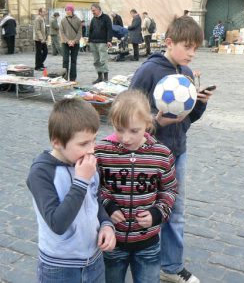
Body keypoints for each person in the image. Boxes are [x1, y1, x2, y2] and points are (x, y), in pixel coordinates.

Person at [131, 16, 214, 283]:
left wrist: (199, 103)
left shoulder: (187, 74)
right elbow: (127, 115)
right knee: (145, 209)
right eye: (187, 47)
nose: (192, 53)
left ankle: (172, 267)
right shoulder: (148, 71)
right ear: (169, 42)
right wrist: (156, 122)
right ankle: (138, 260)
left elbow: (187, 120)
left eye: (196, 48)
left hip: (178, 153)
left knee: (175, 211)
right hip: (150, 154)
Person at [26, 98, 116, 283]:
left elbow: (94, 201)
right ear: (57, 142)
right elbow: (57, 223)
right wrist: (81, 180)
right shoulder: (41, 172)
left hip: (94, 260)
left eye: (94, 140)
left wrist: (106, 224)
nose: (91, 149)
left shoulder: (86, 162)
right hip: (59, 267)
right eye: (83, 144)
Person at [95, 89, 177, 283]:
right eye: (119, 129)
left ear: (147, 124)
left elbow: (170, 190)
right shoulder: (101, 151)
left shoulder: (161, 154)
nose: (126, 138)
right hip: (112, 241)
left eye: (134, 131)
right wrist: (107, 205)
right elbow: (93, 189)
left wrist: (158, 213)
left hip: (148, 243)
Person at [89, 4, 113, 84]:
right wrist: (89, 41)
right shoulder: (93, 19)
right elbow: (91, 30)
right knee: (96, 61)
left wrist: (109, 40)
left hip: (102, 42)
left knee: (103, 60)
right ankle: (99, 77)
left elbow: (110, 29)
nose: (92, 12)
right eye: (92, 11)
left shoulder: (106, 18)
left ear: (98, 9)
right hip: (93, 42)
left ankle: (105, 78)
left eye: (94, 10)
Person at [60, 3, 82, 81]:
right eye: (66, 10)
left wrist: (74, 41)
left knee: (73, 61)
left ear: (72, 10)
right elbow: (61, 32)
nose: (67, 11)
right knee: (65, 60)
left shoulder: (78, 20)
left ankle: (73, 78)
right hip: (65, 43)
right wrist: (67, 41)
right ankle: (64, 78)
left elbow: (79, 32)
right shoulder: (63, 20)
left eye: (68, 9)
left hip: (75, 43)